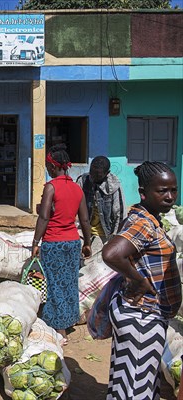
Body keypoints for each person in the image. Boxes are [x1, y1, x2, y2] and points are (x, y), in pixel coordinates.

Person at [102, 161, 180, 400]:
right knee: (136, 388)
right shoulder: (143, 223)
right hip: (142, 317)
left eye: (173, 190)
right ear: (144, 193)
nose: (169, 196)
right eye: (162, 190)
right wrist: (139, 281)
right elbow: (112, 254)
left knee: (129, 381)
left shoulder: (149, 218)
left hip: (142, 315)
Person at [31, 144, 92, 343]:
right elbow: (84, 220)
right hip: (73, 242)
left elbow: (44, 216)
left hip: (54, 243)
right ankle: (67, 321)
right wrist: (87, 243)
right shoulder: (77, 188)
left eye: (48, 165)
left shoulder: (51, 186)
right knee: (69, 283)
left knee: (53, 284)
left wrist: (35, 242)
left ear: (53, 166)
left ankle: (59, 330)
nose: (47, 169)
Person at [76, 156, 126, 244]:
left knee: (94, 257)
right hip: (83, 230)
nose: (93, 177)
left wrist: (116, 238)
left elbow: (119, 214)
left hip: (104, 234)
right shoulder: (82, 181)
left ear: (107, 173)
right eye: (91, 173)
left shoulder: (113, 186)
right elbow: (73, 205)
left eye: (98, 175)